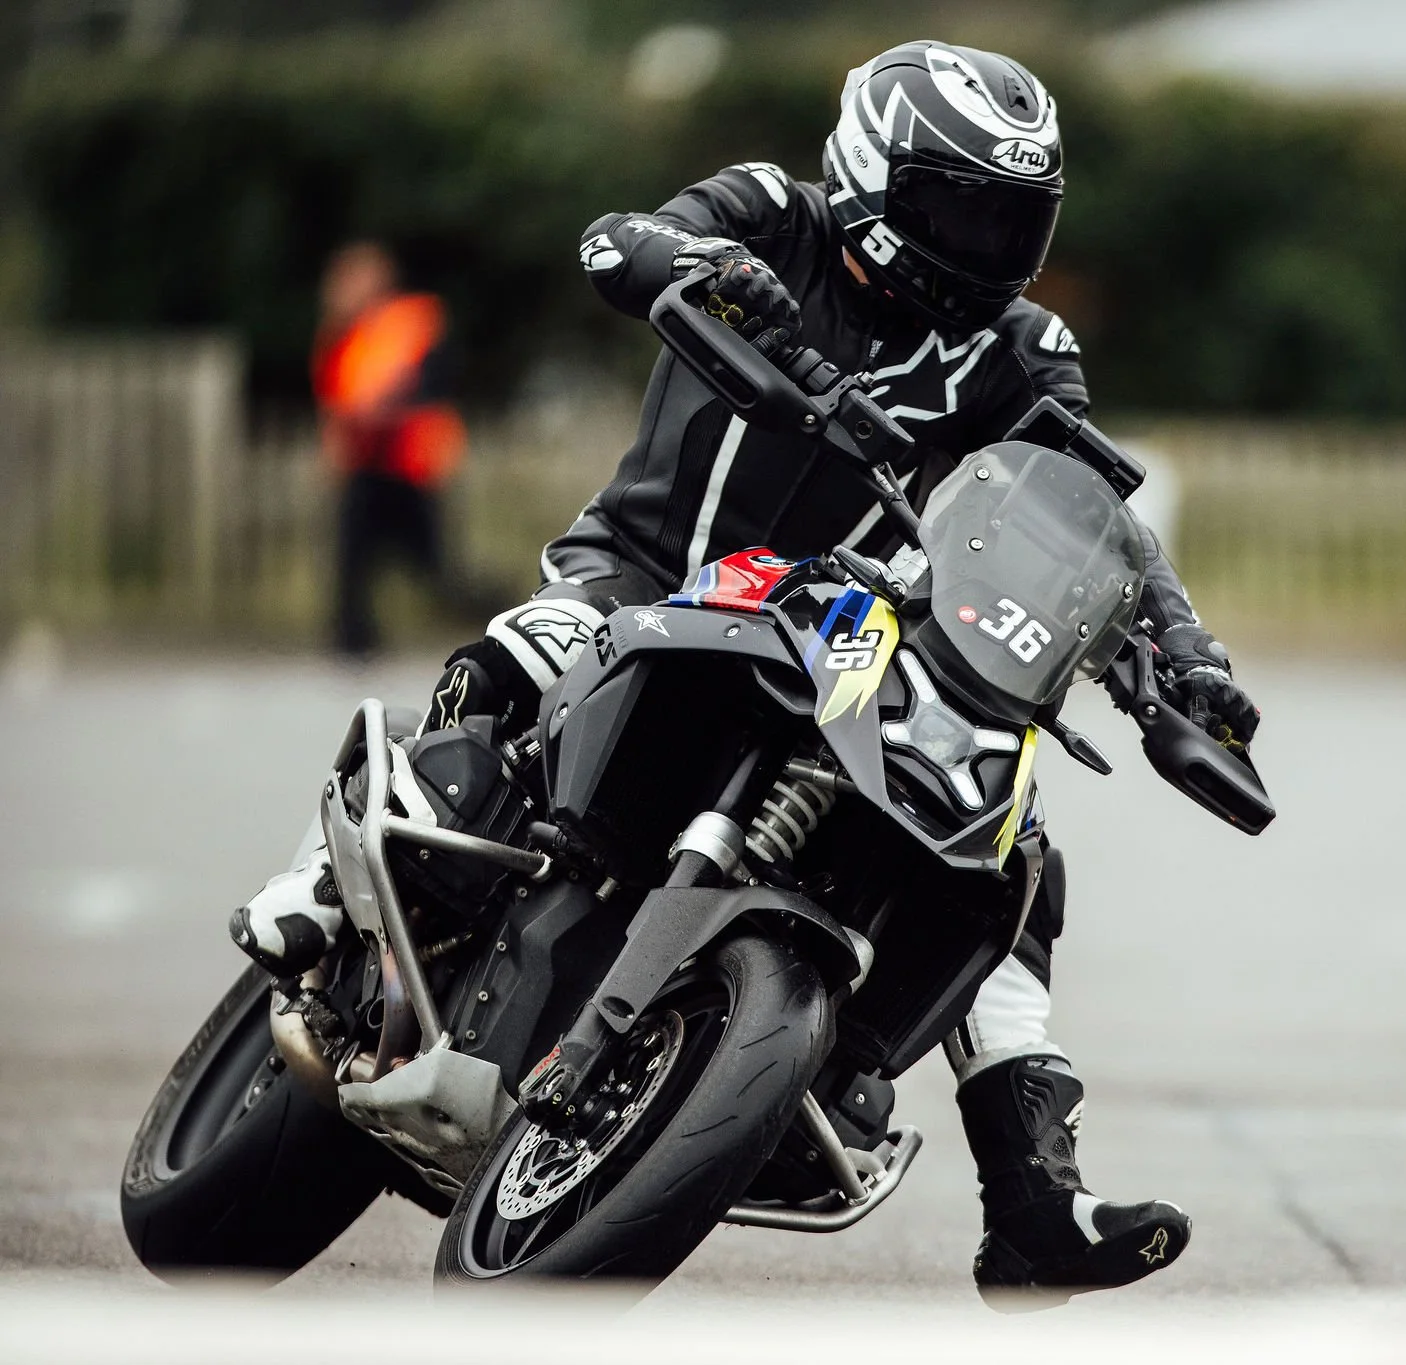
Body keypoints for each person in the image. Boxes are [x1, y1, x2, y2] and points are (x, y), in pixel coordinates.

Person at [231, 41, 1259, 1304]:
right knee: (517, 659)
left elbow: (1091, 506)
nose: (984, 243)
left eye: (1013, 219)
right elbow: (618, 240)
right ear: (875, 176)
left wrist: (1183, 657)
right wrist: (710, 272)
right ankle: (317, 896)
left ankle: (1031, 1200)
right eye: (958, 207)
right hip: (647, 568)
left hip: (848, 626)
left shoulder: (1021, 345)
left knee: (1009, 850)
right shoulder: (774, 213)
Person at [312, 241, 468, 656]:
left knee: (436, 569)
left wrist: (371, 416)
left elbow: (419, 388)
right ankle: (353, 641)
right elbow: (336, 402)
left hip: (407, 465)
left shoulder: (409, 322)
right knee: (352, 559)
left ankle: (507, 612)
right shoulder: (346, 335)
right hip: (368, 465)